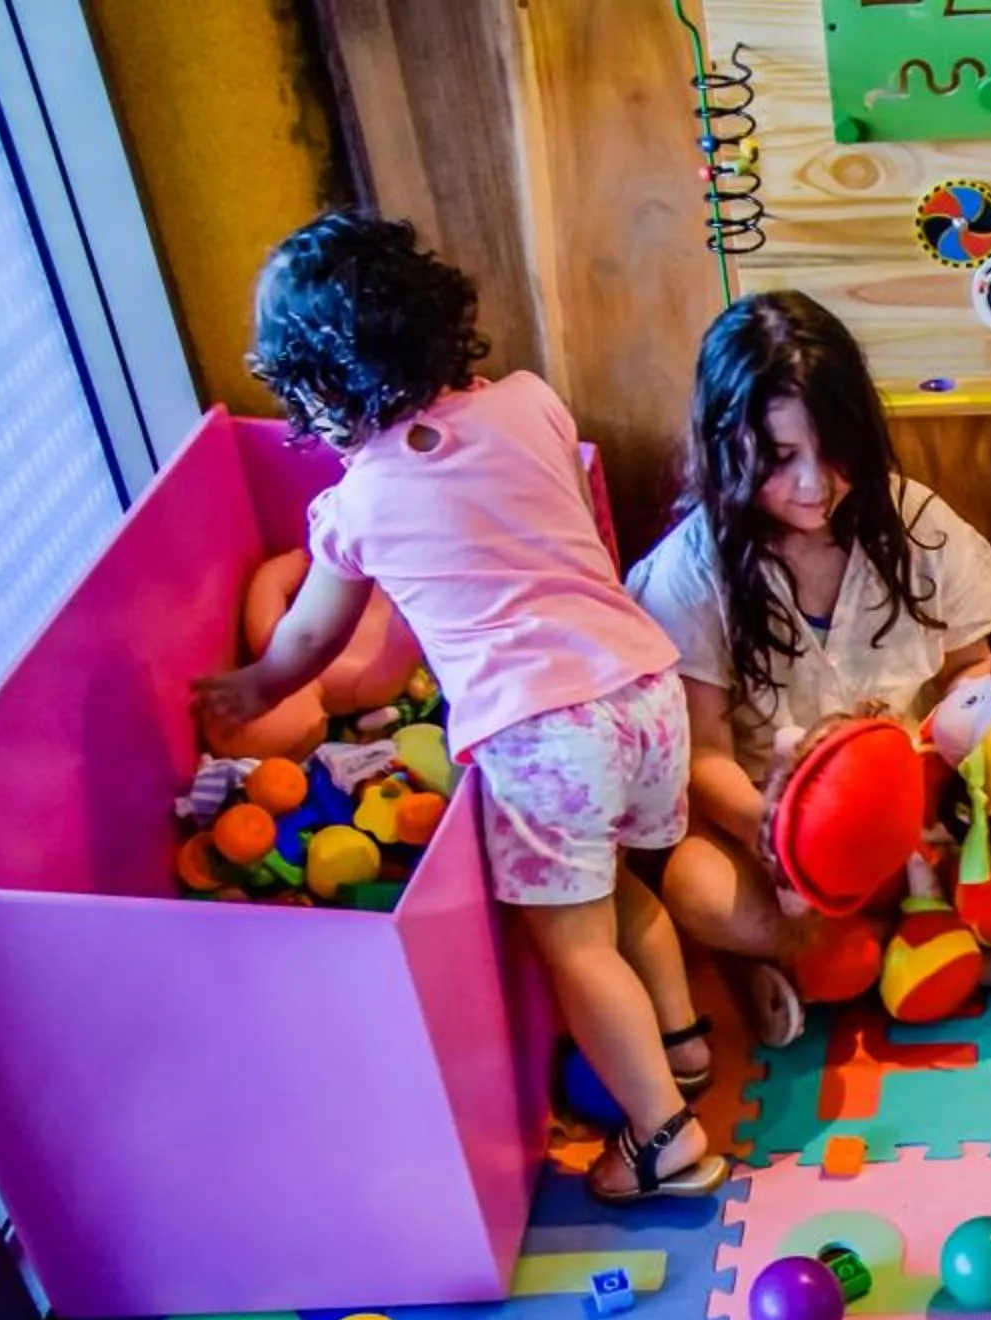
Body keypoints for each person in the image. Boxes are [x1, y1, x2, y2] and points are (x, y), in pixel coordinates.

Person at [195, 212, 723, 1202]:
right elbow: (537, 520)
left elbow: (311, 640)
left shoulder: (358, 506)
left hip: (545, 731)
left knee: (571, 943)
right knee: (617, 889)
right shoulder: (531, 403)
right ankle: (685, 1041)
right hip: (644, 691)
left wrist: (255, 688)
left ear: (316, 390)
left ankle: (662, 1133)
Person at [626, 289, 991, 1046]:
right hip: (785, 851)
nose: (814, 485)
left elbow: (967, 674)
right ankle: (923, 952)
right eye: (780, 459)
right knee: (693, 884)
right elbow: (701, 752)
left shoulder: (917, 528)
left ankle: (874, 958)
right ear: (727, 445)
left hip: (913, 817)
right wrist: (786, 838)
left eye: (833, 450)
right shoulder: (693, 571)